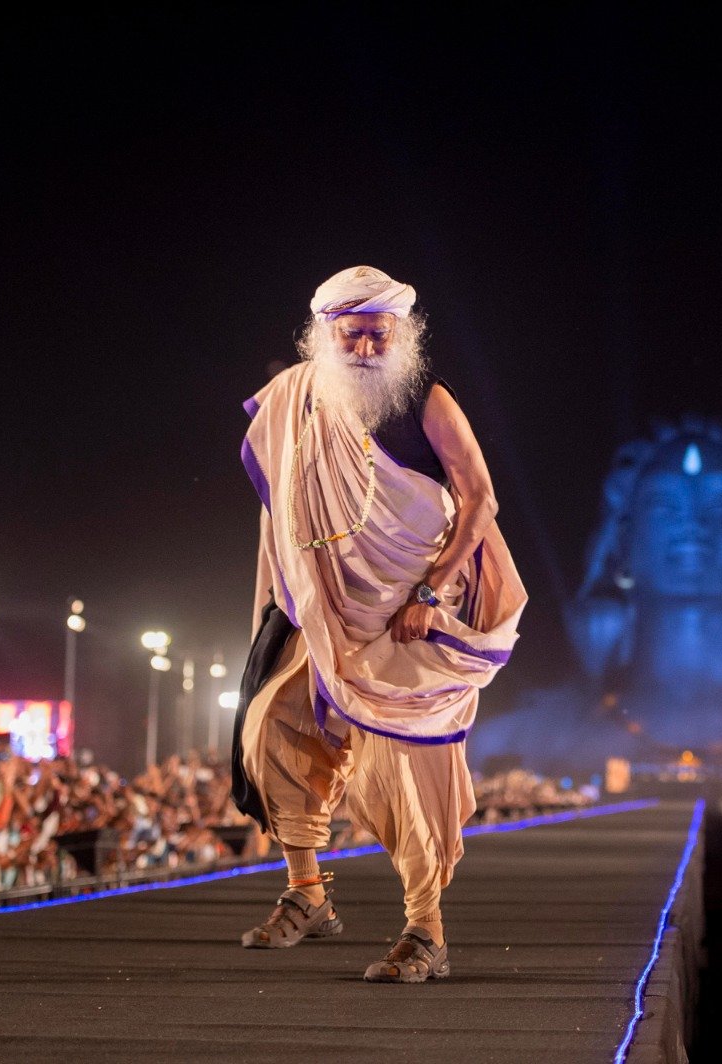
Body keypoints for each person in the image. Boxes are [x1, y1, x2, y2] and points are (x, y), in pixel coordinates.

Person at [231, 265, 527, 983]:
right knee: (271, 728)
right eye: (351, 334)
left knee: (405, 768)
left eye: (377, 334)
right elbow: (282, 506)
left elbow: (480, 501)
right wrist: (280, 595)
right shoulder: (295, 400)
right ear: (324, 337)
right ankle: (308, 894)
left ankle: (426, 930)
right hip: (321, 607)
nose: (365, 347)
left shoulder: (426, 399)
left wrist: (432, 589)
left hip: (406, 618)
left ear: (400, 335)